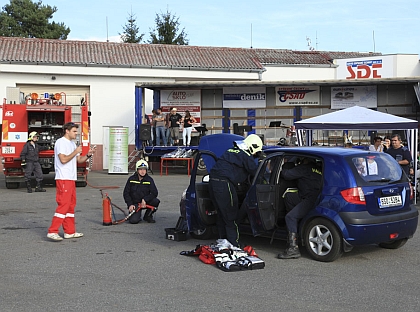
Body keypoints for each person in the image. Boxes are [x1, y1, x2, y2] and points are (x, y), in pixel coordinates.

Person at [208, 134, 263, 247]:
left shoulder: (231, 150)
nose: (255, 155)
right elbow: (256, 173)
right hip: (225, 184)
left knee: (221, 214)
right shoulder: (246, 155)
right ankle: (234, 244)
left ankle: (222, 241)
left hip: (212, 182)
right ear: (253, 147)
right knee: (231, 216)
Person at [47, 122, 96, 241]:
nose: (76, 133)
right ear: (67, 131)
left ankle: (69, 231)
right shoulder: (61, 142)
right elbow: (63, 159)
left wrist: (88, 155)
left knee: (70, 205)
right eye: (74, 131)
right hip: (63, 177)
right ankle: (52, 231)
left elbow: (79, 160)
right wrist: (75, 152)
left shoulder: (72, 144)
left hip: (70, 178)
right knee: (63, 204)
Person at [278, 157, 322, 259]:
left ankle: (293, 248)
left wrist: (282, 167)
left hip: (309, 200)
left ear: (304, 160)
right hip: (316, 198)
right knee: (289, 196)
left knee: (290, 217)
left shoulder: (304, 168)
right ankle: (294, 226)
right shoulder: (319, 169)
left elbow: (286, 175)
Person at [123, 159, 160, 223]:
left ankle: (148, 216)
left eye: (144, 169)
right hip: (135, 203)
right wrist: (130, 204)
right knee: (133, 221)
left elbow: (155, 192)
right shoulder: (131, 179)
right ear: (137, 170)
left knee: (156, 201)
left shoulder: (149, 180)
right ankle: (136, 215)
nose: (142, 171)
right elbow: (126, 193)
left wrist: (145, 199)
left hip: (145, 202)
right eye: (140, 169)